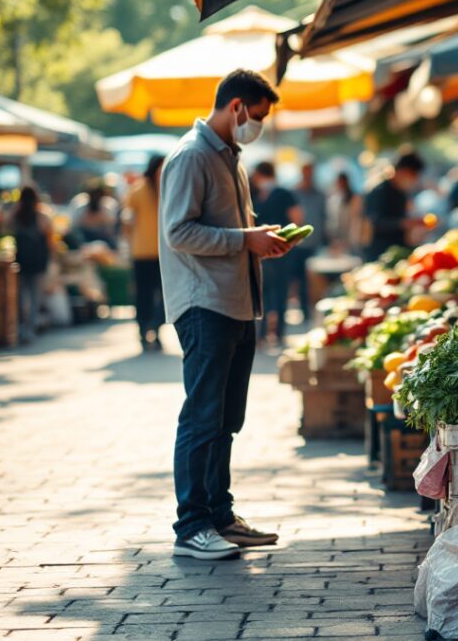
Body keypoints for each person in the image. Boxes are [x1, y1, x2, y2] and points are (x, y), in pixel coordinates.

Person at [159, 69, 293, 561]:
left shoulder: (230, 159)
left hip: (238, 303)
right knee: (202, 415)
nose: (257, 126)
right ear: (237, 107)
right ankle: (191, 525)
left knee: (225, 418)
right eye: (256, 116)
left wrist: (261, 236)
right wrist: (245, 240)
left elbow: (230, 229)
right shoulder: (191, 157)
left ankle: (219, 514)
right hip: (204, 304)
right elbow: (180, 232)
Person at [250, 161, 302, 344]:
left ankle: (278, 332)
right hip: (261, 253)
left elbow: (296, 218)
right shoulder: (256, 195)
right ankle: (262, 332)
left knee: (280, 291)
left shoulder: (283, 193)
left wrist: (288, 240)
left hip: (281, 251)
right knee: (263, 292)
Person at [124, 156, 165, 352]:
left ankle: (155, 328)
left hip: (165, 253)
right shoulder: (138, 191)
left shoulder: (169, 188)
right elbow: (127, 220)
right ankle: (144, 330)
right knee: (143, 295)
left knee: (164, 296)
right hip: (142, 253)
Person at [9, 186, 52, 344]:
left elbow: (5, 230)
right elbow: (49, 239)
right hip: (37, 261)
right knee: (35, 296)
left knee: (20, 296)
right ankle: (31, 327)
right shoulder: (42, 216)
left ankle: (21, 328)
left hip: (21, 261)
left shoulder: (15, 216)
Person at [364, 151, 424, 261]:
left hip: (399, 251)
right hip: (381, 254)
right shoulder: (379, 191)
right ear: (405, 172)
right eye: (413, 175)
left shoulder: (402, 192)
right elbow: (376, 222)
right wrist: (404, 223)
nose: (414, 180)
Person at [291, 163, 326, 321]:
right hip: (296, 244)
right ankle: (301, 308)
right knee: (297, 278)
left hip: (314, 243)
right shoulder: (293, 192)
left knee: (310, 280)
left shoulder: (319, 194)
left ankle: (308, 311)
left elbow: (324, 217)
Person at [328, 172, 365, 254]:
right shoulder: (335, 198)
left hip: (353, 238)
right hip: (340, 238)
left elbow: (355, 219)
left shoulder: (355, 198)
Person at [73, 184, 119, 248]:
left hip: (103, 239)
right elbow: (75, 227)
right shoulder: (81, 208)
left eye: (98, 195)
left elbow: (111, 229)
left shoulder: (107, 208)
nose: (95, 197)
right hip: (85, 238)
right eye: (93, 195)